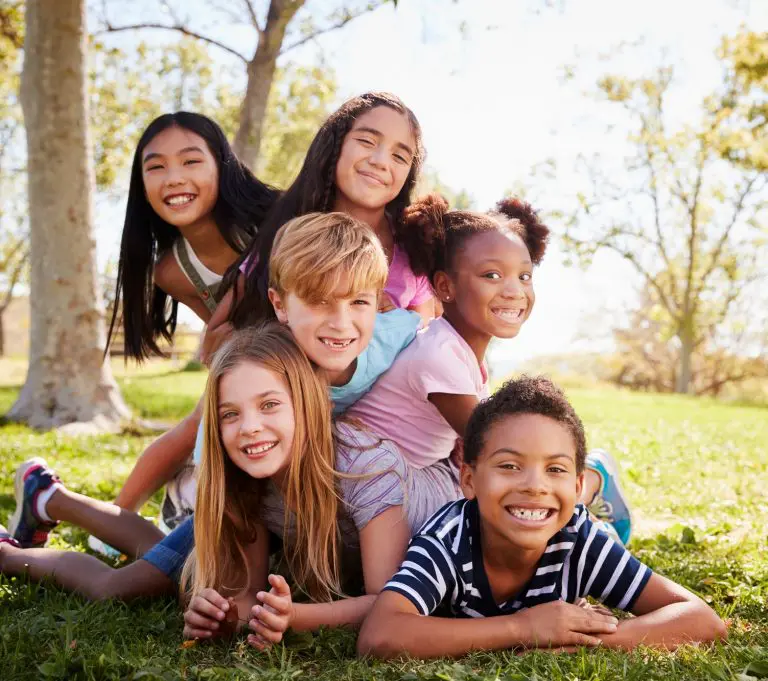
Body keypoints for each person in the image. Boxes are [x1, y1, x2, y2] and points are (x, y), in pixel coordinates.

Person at [0, 324, 452, 649]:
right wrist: (224, 615)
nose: (249, 428)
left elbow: (390, 604)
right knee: (147, 575)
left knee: (154, 569)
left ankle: (47, 498)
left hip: (445, 541)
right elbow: (247, 593)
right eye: (231, 414)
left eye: (270, 404)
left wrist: (294, 617)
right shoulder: (246, 480)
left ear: (308, 405)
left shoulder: (366, 468)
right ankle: (10, 549)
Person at [357, 376, 728, 659]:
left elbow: (701, 618)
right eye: (509, 465)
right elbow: (380, 634)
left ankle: (601, 478)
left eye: (555, 469)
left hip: (577, 530)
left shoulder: (578, 538)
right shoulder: (448, 540)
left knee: (607, 539)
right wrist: (525, 627)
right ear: (468, 480)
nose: (534, 485)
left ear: (576, 483)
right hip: (529, 535)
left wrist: (586, 639)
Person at [345, 194, 632, 543]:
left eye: (524, 276)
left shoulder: (459, 353)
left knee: (512, 492)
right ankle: (588, 488)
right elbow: (498, 447)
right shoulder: (438, 354)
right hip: (379, 478)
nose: (514, 290)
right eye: (492, 275)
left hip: (406, 477)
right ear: (445, 287)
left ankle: (586, 491)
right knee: (504, 495)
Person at [102, 111, 279, 529]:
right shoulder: (173, 271)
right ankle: (112, 523)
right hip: (255, 361)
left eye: (191, 161)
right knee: (201, 419)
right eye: (156, 167)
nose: (174, 177)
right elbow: (223, 333)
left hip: (314, 349)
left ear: (223, 166)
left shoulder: (273, 221)